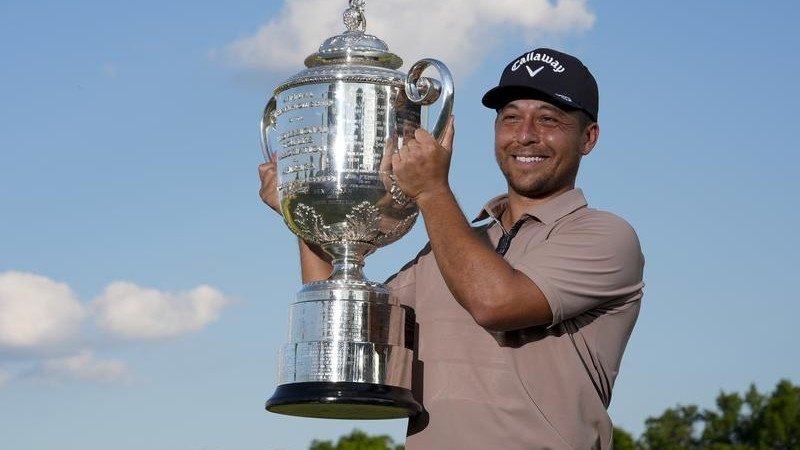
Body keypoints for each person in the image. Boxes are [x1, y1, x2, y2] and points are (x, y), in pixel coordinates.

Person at [259, 47, 644, 449]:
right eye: (510, 117)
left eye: (549, 120)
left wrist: (431, 190)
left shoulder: (605, 236)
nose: (525, 134)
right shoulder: (452, 246)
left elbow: (495, 302)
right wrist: (305, 209)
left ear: (588, 137)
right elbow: (345, 320)